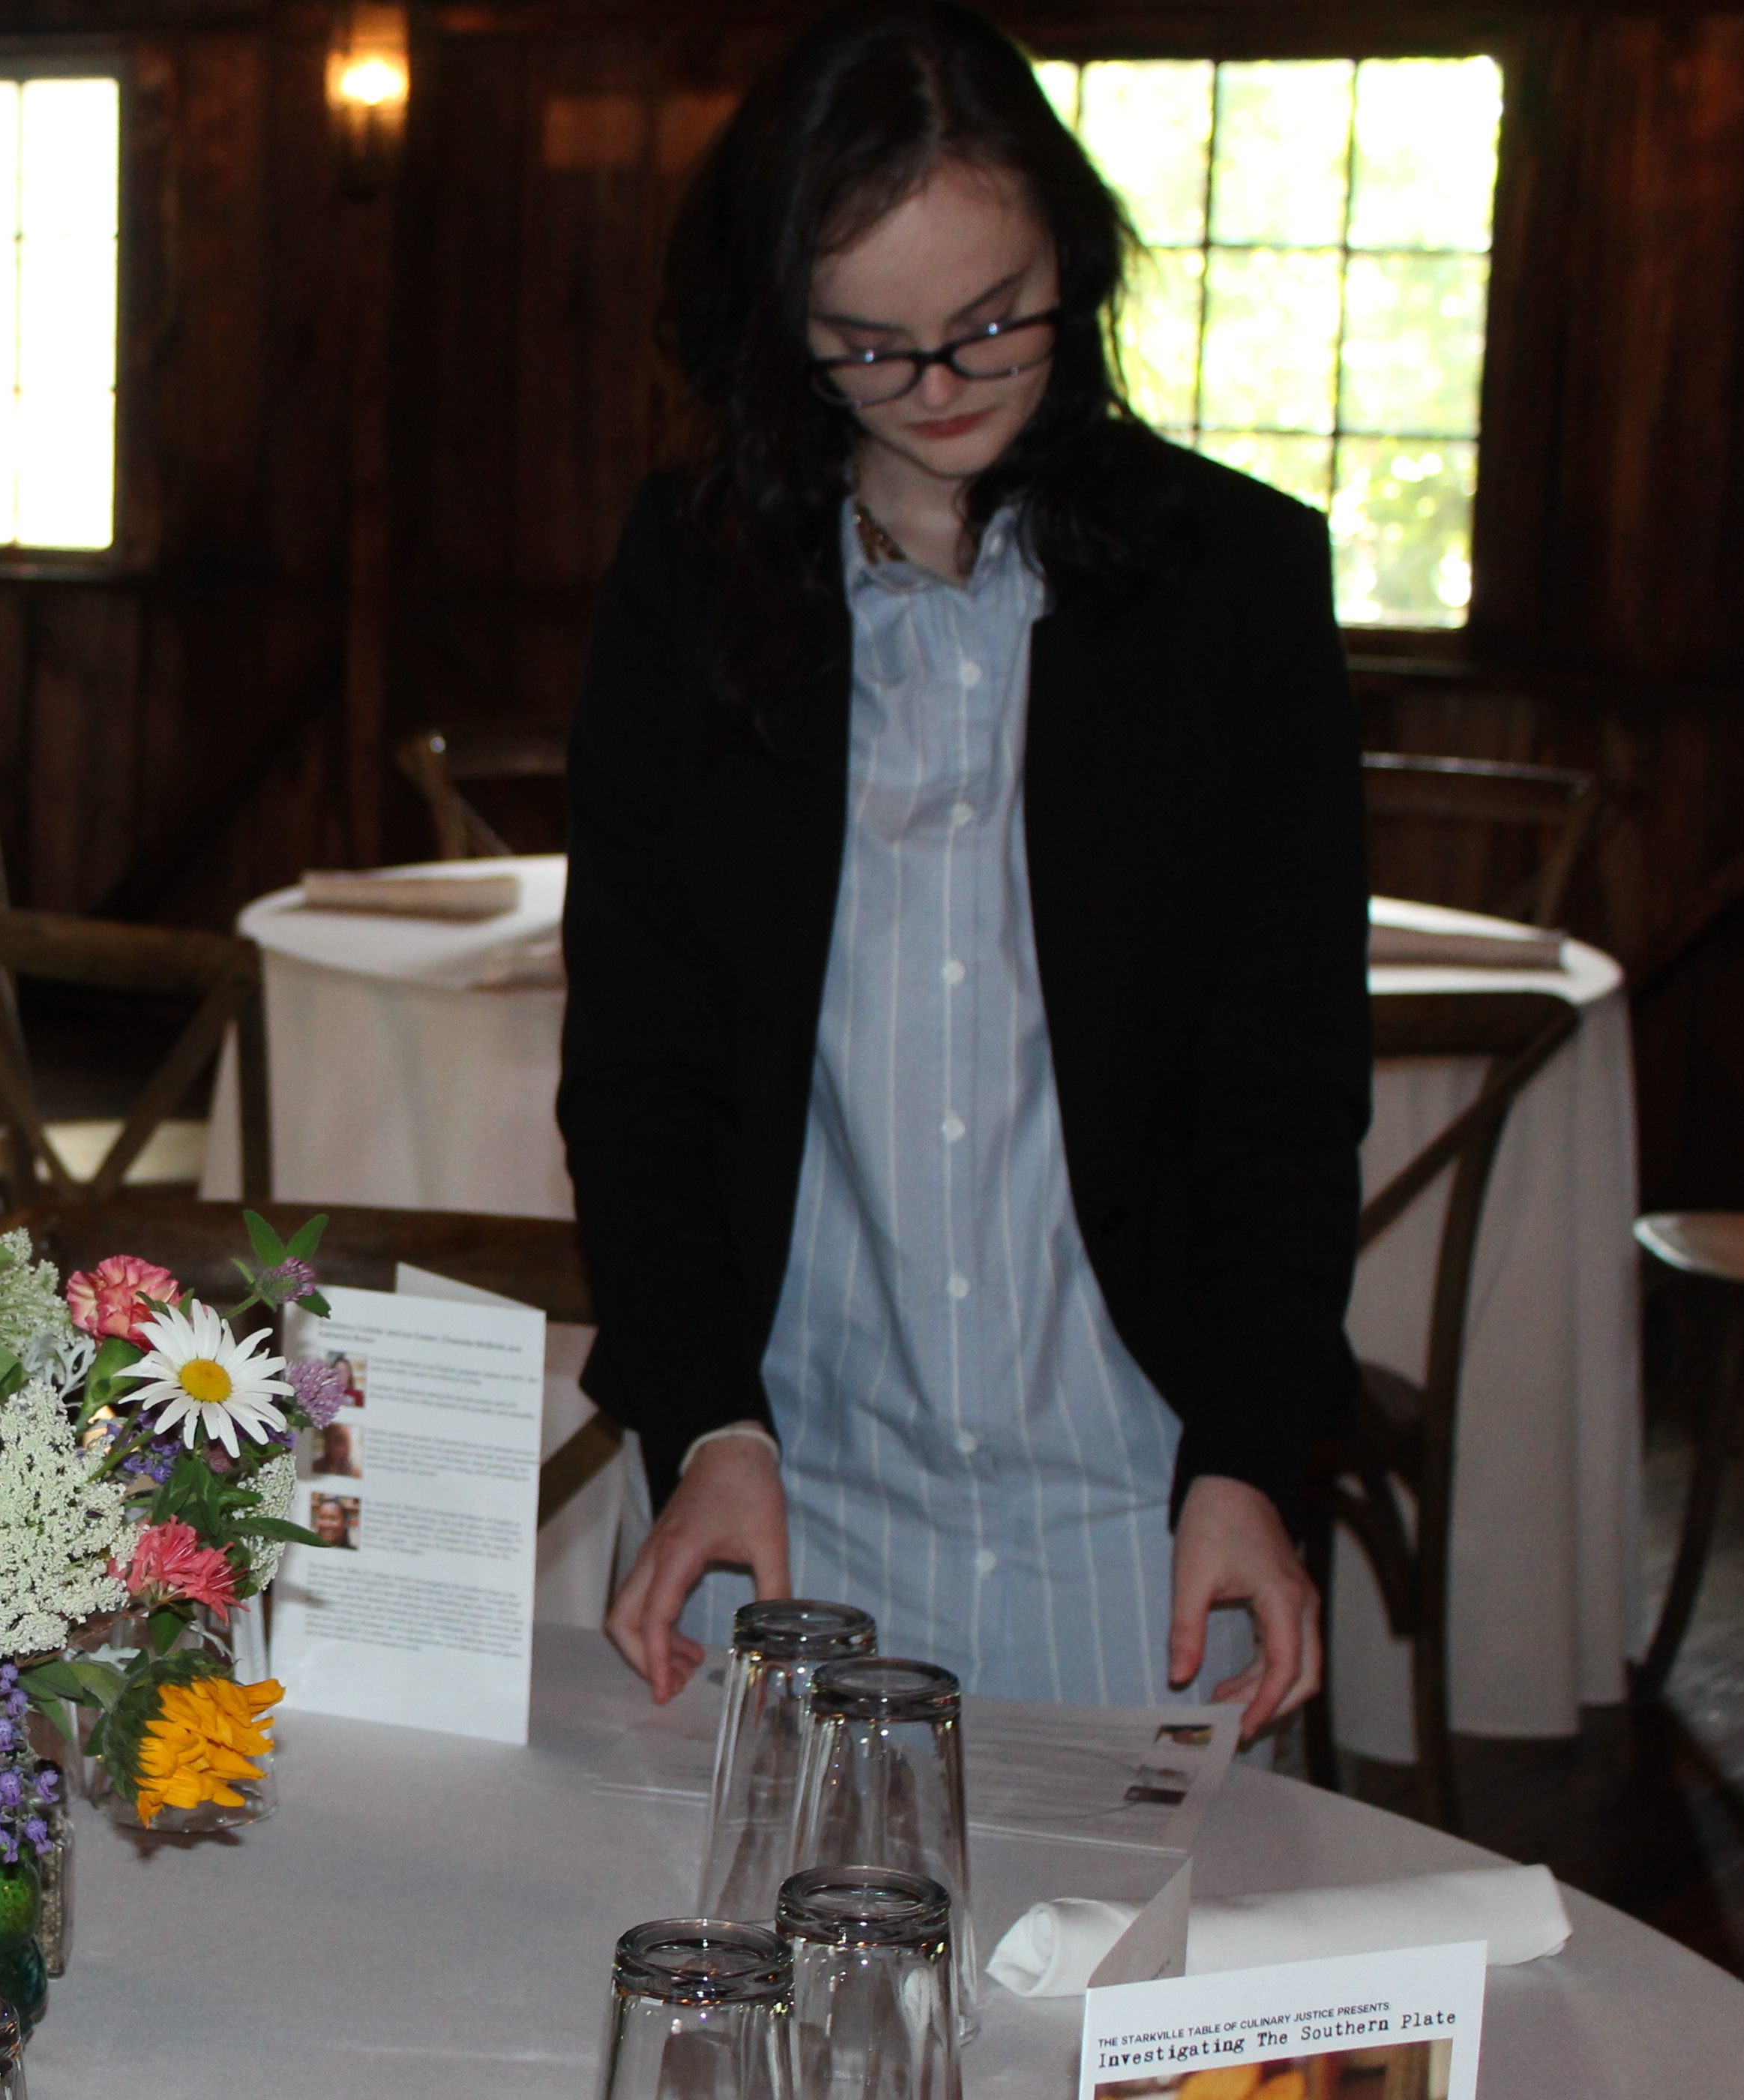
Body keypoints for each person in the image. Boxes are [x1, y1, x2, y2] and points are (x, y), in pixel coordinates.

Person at [561, 1, 1367, 1736]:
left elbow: (1278, 1090)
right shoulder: (691, 584)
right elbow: (636, 1062)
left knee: (1139, 1993)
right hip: (786, 1487)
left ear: (1069, 266)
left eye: (989, 325)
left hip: (1140, 1502)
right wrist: (701, 1418)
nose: (935, 390)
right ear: (777, 326)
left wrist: (1245, 1450)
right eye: (867, 344)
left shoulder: (1228, 584)